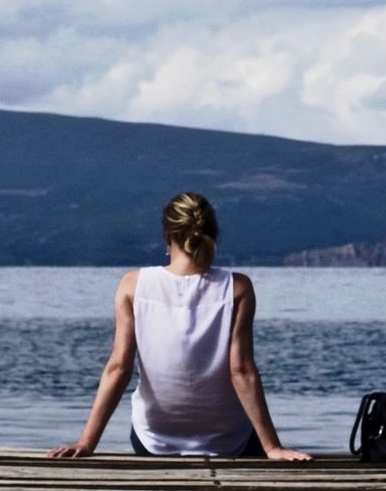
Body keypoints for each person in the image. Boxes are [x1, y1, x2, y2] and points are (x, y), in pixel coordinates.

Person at [48, 192, 312, 461]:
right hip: (228, 441)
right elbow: (241, 370)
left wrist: (87, 442)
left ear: (167, 237)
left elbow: (118, 368)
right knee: (248, 435)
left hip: (153, 440)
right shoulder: (237, 287)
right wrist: (272, 448)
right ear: (213, 235)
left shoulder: (133, 284)